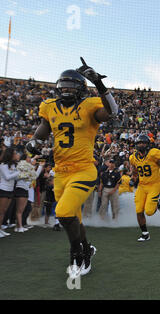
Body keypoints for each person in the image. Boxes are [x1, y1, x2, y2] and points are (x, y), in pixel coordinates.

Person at [26, 58, 119, 278]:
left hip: (84, 169)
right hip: (61, 172)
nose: (67, 90)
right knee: (73, 219)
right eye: (63, 86)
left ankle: (77, 255)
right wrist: (34, 142)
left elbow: (112, 111)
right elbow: (43, 128)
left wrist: (99, 84)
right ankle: (87, 249)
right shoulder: (49, 107)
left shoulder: (88, 106)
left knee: (63, 212)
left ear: (81, 90)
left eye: (72, 86)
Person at [129, 134, 160, 242]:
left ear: (147, 144)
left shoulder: (154, 153)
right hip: (142, 186)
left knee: (149, 212)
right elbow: (134, 170)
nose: (141, 145)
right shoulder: (133, 158)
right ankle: (145, 234)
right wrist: (133, 178)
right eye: (139, 143)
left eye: (143, 143)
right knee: (138, 210)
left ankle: (157, 201)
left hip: (154, 185)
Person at [0, 148, 20, 238]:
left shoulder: (13, 165)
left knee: (4, 211)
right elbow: (7, 177)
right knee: (1, 212)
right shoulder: (3, 165)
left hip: (10, 190)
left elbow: (15, 178)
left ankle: (1, 229)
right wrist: (19, 172)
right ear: (10, 155)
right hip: (3, 190)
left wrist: (22, 175)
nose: (16, 155)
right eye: (15, 153)